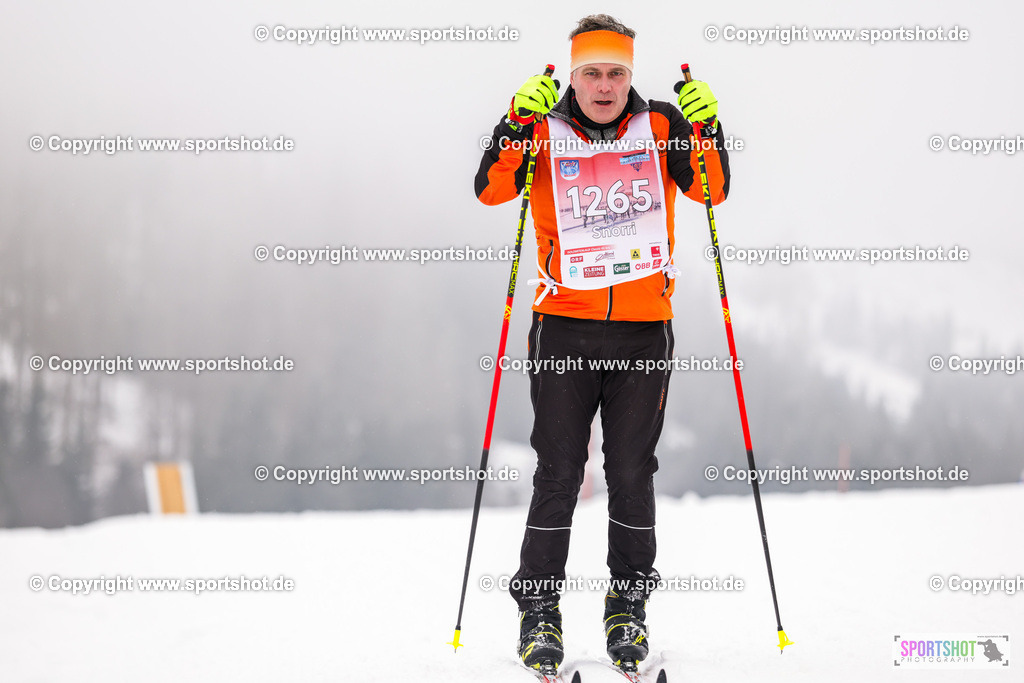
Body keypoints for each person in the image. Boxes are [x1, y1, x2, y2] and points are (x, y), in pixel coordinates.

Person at [474, 14, 730, 673]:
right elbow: (490, 190)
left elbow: (711, 190)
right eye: (592, 72)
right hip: (563, 327)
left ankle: (628, 608)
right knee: (559, 470)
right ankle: (539, 613)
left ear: (630, 75)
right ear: (574, 74)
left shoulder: (664, 125)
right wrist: (511, 122)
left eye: (617, 72)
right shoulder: (541, 128)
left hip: (644, 332)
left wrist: (710, 129)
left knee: (630, 470)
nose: (605, 84)